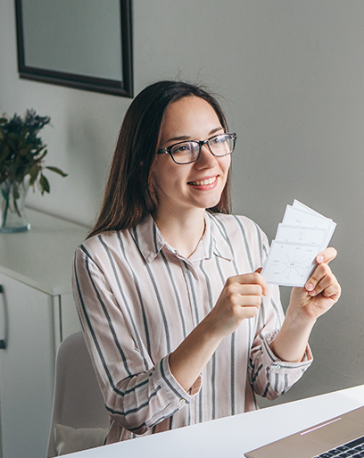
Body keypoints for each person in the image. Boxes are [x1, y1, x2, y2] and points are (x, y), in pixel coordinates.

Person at [72, 81, 341, 444]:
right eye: (184, 147)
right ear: (143, 161)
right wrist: (213, 327)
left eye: (217, 140)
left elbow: (270, 384)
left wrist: (300, 317)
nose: (209, 161)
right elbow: (134, 411)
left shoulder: (247, 236)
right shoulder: (101, 260)